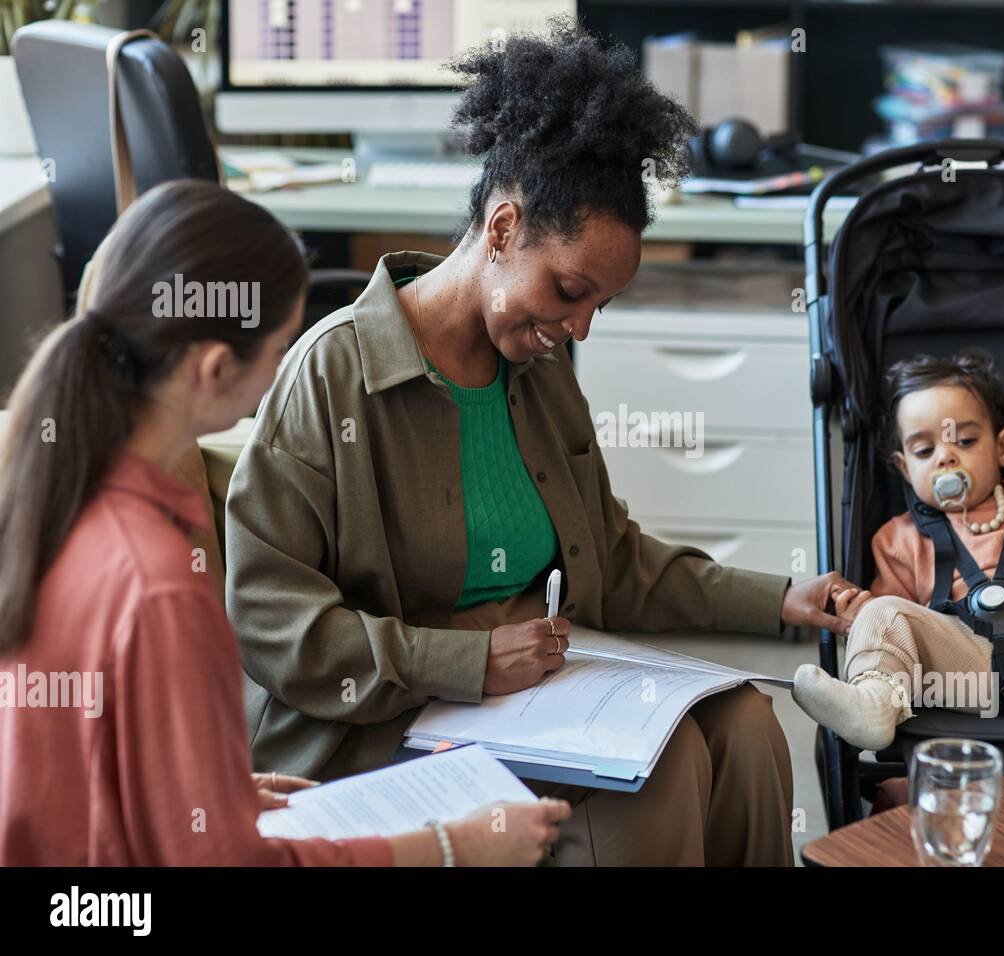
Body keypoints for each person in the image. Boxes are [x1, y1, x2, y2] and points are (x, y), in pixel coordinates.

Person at [223, 19, 859, 866]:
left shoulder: (539, 366)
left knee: (747, 726)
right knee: (660, 783)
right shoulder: (331, 376)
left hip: (533, 695)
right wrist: (465, 662)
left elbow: (610, 558)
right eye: (569, 290)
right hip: (374, 725)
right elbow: (273, 627)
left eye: (599, 306)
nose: (580, 327)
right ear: (501, 227)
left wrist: (779, 597)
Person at [0, 179, 567, 865]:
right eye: (274, 354)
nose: (279, 377)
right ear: (214, 369)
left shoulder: (50, 507)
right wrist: (450, 848)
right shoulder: (161, 587)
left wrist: (207, 787)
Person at [793, 350, 1004, 773]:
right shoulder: (898, 538)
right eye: (925, 449)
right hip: (953, 665)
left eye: (964, 441)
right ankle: (875, 700)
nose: (946, 457)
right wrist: (860, 615)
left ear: (1002, 447)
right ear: (904, 468)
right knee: (883, 611)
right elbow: (899, 627)